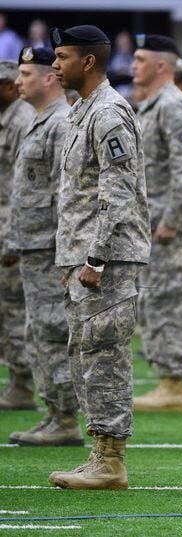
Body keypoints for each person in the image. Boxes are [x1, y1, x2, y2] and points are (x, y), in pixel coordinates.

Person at [48, 24, 151, 489]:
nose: (55, 65)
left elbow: (117, 189)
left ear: (88, 62)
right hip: (85, 257)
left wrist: (96, 258)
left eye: (63, 56)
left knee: (104, 357)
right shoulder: (82, 111)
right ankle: (100, 455)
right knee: (86, 355)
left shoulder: (108, 113)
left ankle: (111, 462)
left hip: (106, 260)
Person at [5, 47, 81, 446]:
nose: (18, 81)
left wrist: (61, 252)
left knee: (52, 331)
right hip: (32, 246)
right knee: (38, 331)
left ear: (48, 78)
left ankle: (65, 417)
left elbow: (63, 195)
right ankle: (55, 412)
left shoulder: (60, 123)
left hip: (50, 248)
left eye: (25, 74)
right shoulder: (41, 120)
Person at [130, 35, 182, 412]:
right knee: (155, 301)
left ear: (162, 66)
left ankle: (174, 385)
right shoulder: (151, 106)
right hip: (153, 221)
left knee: (169, 303)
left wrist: (172, 220)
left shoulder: (172, 105)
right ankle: (165, 379)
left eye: (141, 59)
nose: (132, 65)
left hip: (169, 227)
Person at [0, 60, 35, 411]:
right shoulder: (8, 120)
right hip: (9, 226)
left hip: (18, 229)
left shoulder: (23, 121)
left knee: (15, 310)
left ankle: (23, 384)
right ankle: (18, 381)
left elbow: (25, 187)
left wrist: (13, 237)